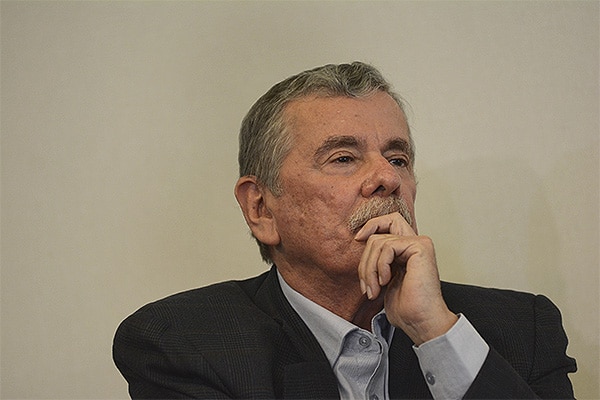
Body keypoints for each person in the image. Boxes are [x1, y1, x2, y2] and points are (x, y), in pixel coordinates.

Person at [113, 62, 576, 399]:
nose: (387, 178)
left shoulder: (523, 331)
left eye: (398, 158)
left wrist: (434, 333)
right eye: (343, 158)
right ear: (261, 208)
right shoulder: (186, 343)